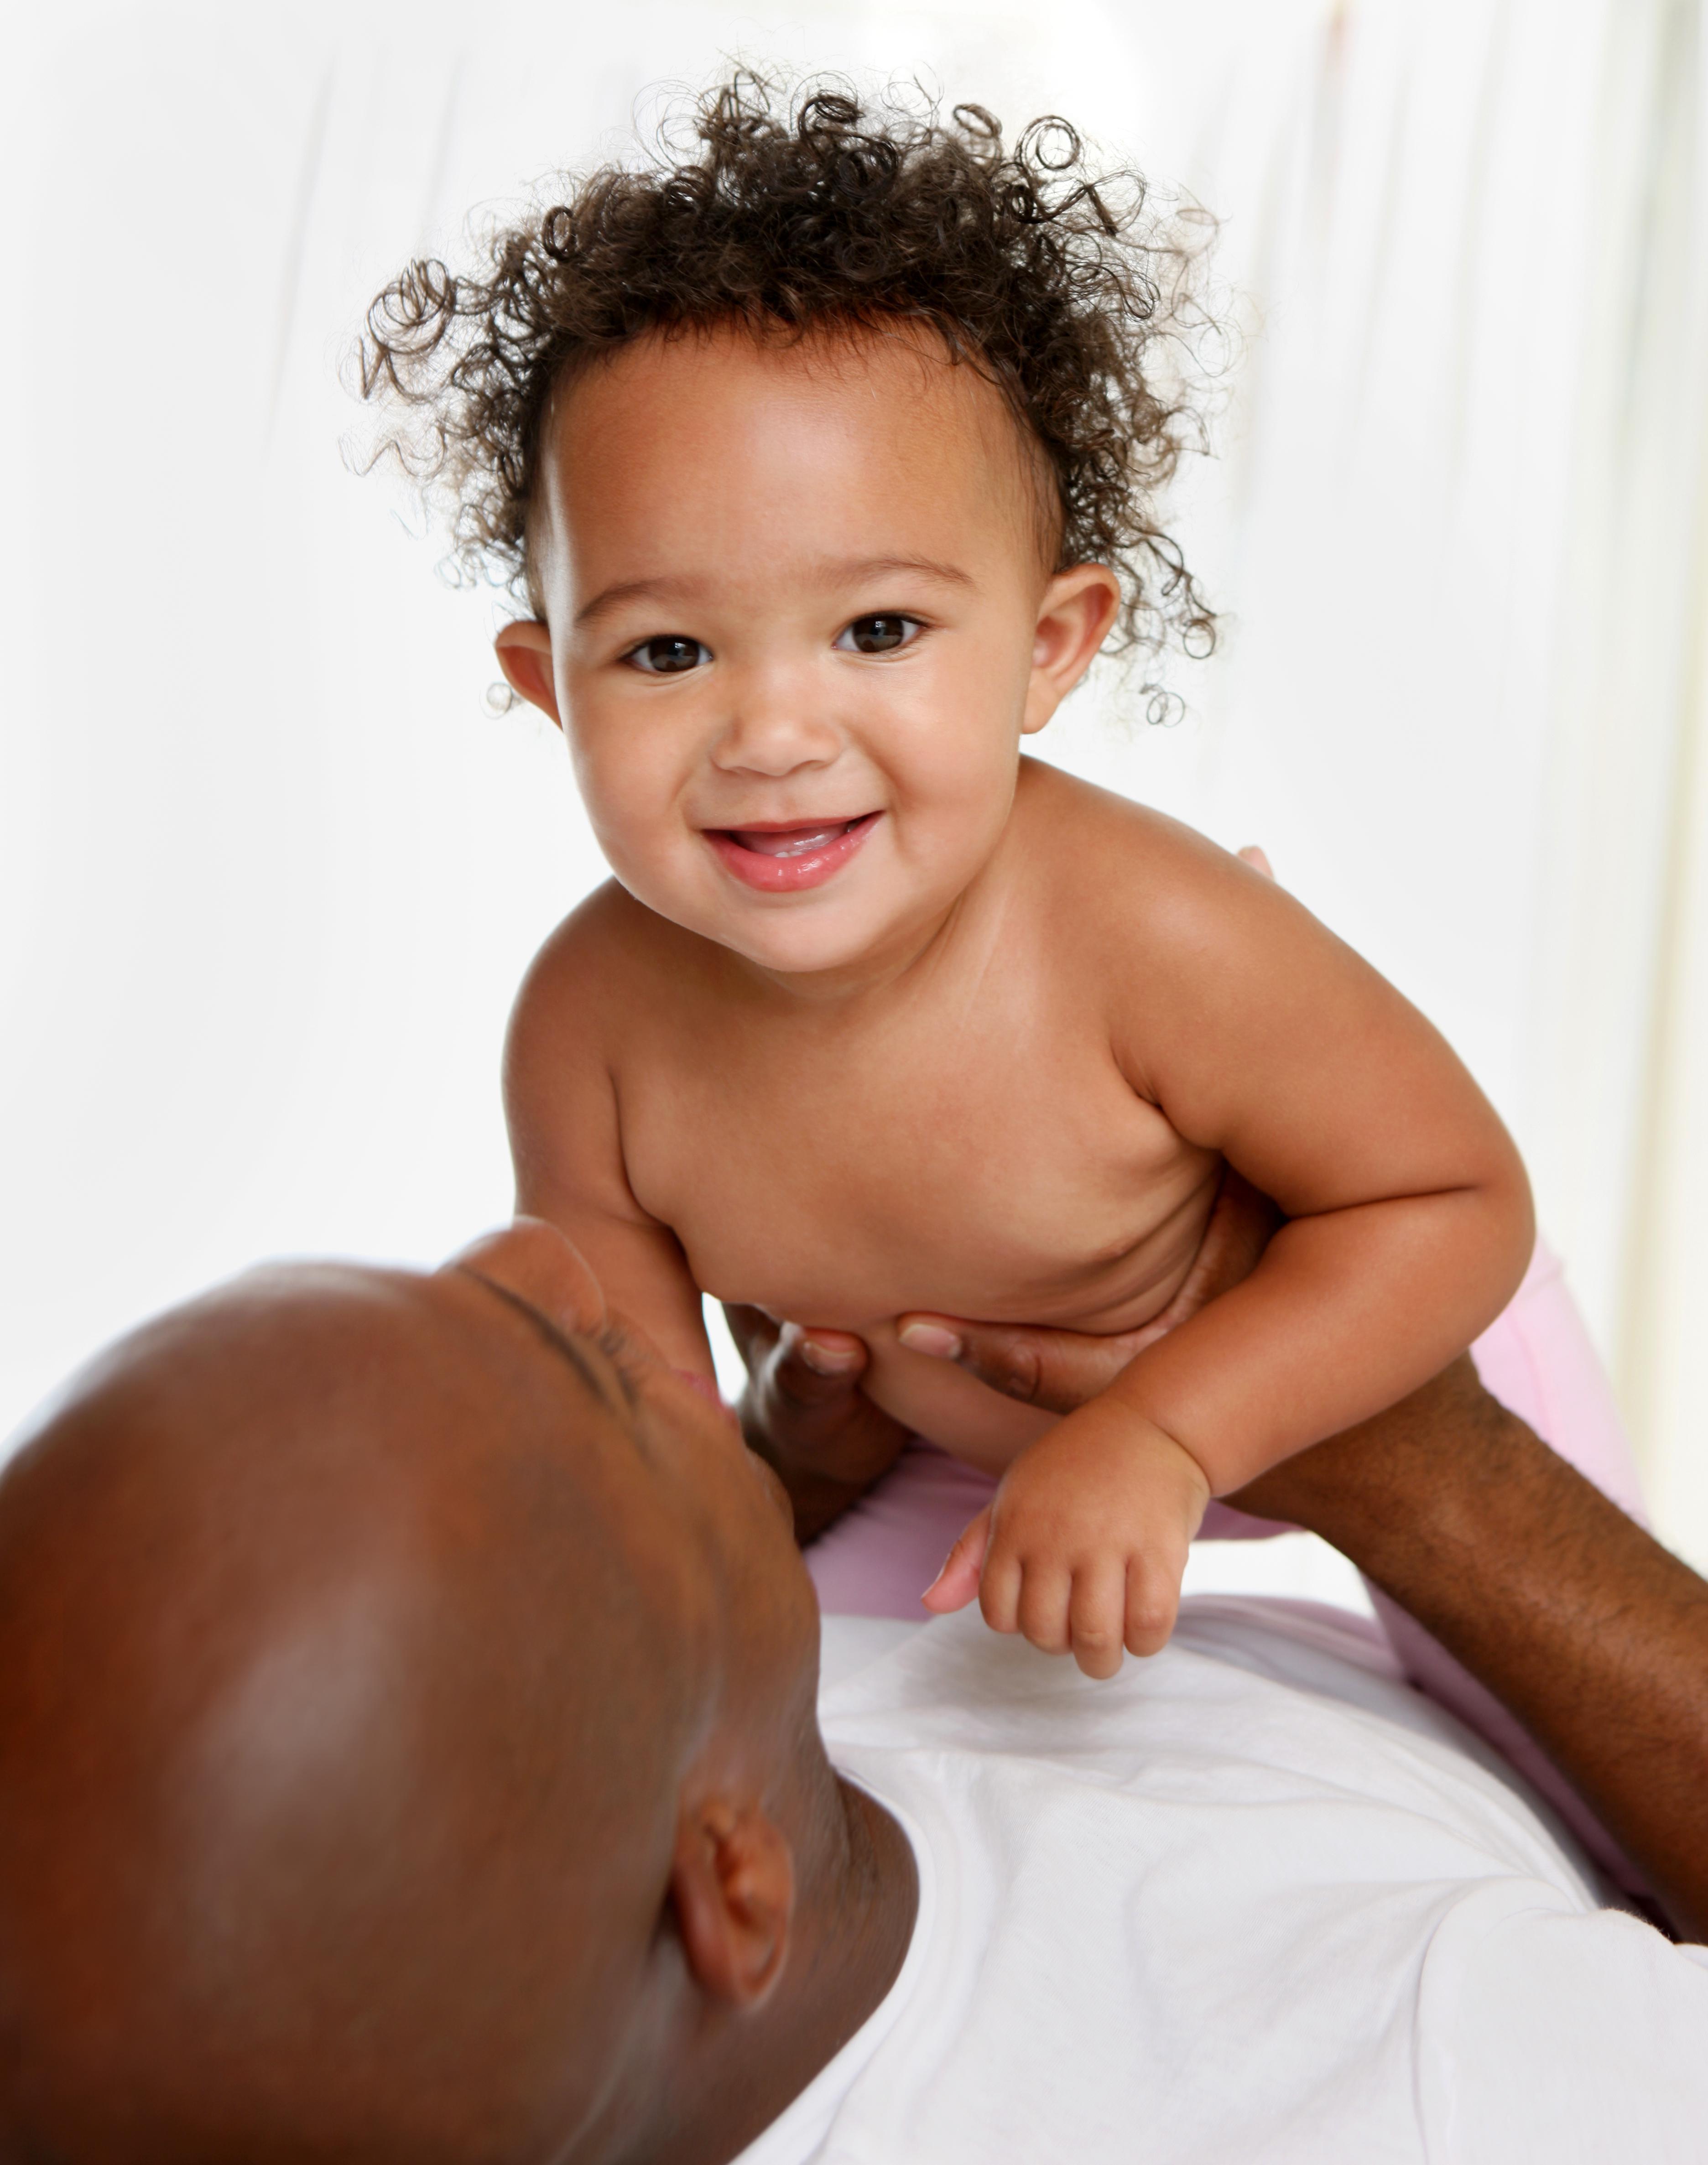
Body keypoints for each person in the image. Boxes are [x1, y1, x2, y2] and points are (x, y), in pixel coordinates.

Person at [359, 76, 1534, 1678]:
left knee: (1604, 1783)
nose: (772, 732)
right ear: (552, 681)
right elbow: (673, 1462)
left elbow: (1452, 1201)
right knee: (789, 1720)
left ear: (1048, 651)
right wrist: (509, 1410)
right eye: (669, 649)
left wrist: (1171, 1438)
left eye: (880, 630)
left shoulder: (1151, 934)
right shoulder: (592, 1032)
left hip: (1378, 1356)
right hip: (954, 1457)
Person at [2, 1220, 1706, 2162]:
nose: (560, 1250)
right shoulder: (1421, 2081)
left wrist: (777, 1484)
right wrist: (1432, 1476)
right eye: (597, 1382)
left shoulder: (548, 1845)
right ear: (729, 1890)